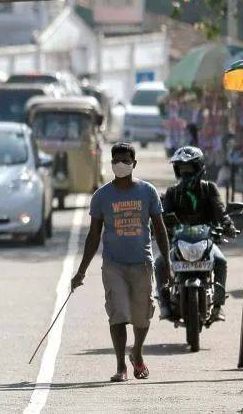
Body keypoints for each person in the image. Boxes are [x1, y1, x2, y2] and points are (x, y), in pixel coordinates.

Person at [71, 142, 172, 382]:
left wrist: (167, 264)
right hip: (113, 265)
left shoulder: (148, 192)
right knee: (117, 315)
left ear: (134, 164)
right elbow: (93, 235)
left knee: (142, 316)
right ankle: (120, 367)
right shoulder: (101, 196)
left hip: (142, 263)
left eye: (126, 161)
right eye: (116, 160)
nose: (121, 164)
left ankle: (137, 352)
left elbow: (160, 229)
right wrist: (81, 271)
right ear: (111, 163)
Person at [157, 146, 238, 322]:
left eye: (189, 168)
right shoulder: (172, 192)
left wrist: (228, 226)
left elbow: (220, 211)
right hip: (179, 241)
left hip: (205, 240)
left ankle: (218, 306)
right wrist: (157, 227)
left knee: (221, 261)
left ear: (199, 168)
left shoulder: (209, 189)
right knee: (159, 263)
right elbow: (163, 215)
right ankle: (164, 303)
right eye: (181, 169)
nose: (185, 173)